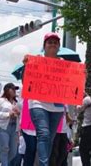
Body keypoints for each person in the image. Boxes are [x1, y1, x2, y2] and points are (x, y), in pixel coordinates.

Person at [23, 32, 65, 166]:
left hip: (57, 105)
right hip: (38, 103)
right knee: (44, 134)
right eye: (49, 42)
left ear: (59, 46)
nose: (52, 44)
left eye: (55, 42)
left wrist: (82, 76)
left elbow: (70, 84)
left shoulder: (64, 64)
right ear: (44, 46)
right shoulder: (36, 60)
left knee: (50, 139)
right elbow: (26, 82)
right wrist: (26, 66)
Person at [0, 83, 20, 166]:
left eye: (15, 89)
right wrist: (8, 114)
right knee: (5, 148)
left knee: (13, 152)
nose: (14, 91)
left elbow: (23, 115)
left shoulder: (17, 102)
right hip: (2, 127)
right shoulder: (1, 100)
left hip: (14, 128)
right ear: (7, 90)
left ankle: (2, 164)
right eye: (12, 89)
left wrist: (19, 113)